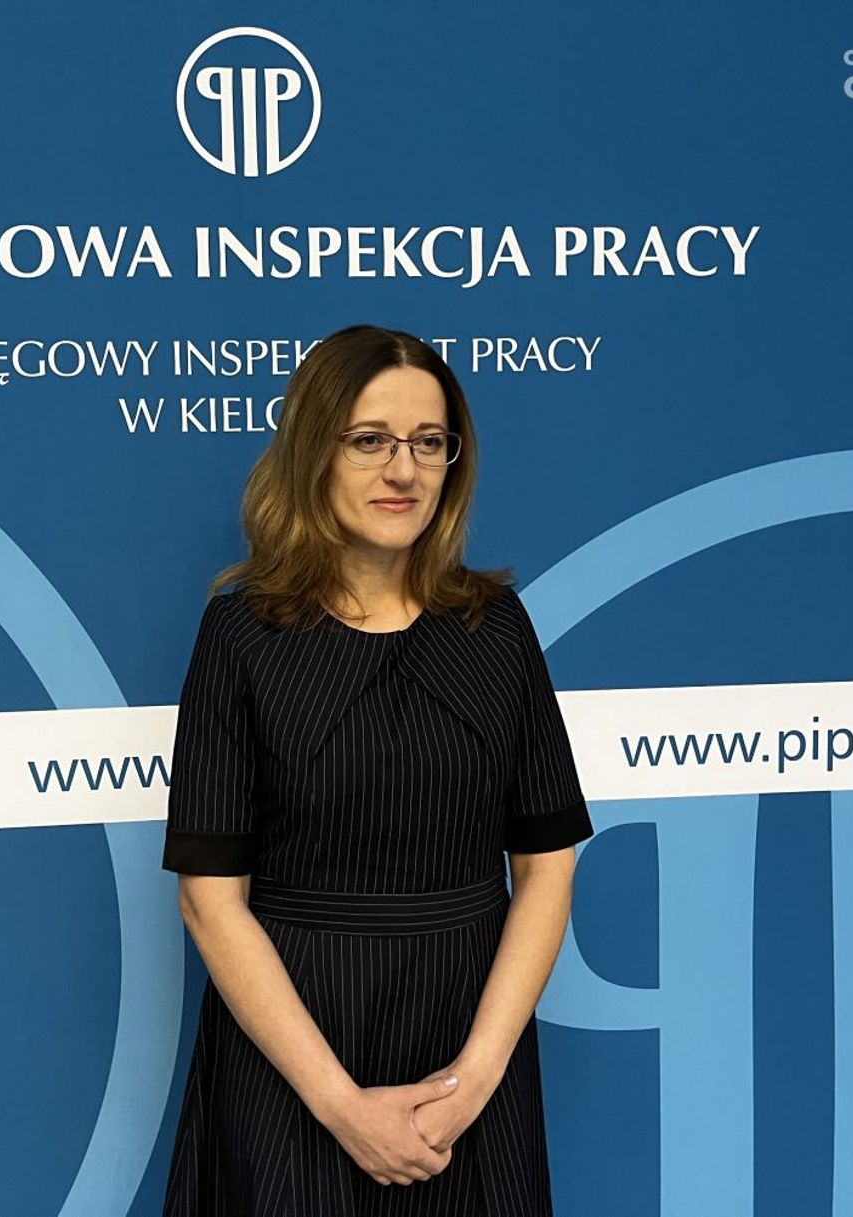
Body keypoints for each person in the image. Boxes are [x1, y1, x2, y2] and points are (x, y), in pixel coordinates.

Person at [160, 322, 594, 1216]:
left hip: (468, 1057)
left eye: (429, 442)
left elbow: (547, 867)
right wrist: (343, 1107)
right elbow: (210, 901)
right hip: (295, 1061)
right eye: (370, 440)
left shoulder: (497, 628)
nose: (404, 470)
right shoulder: (241, 636)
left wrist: (471, 1081)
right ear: (313, 451)